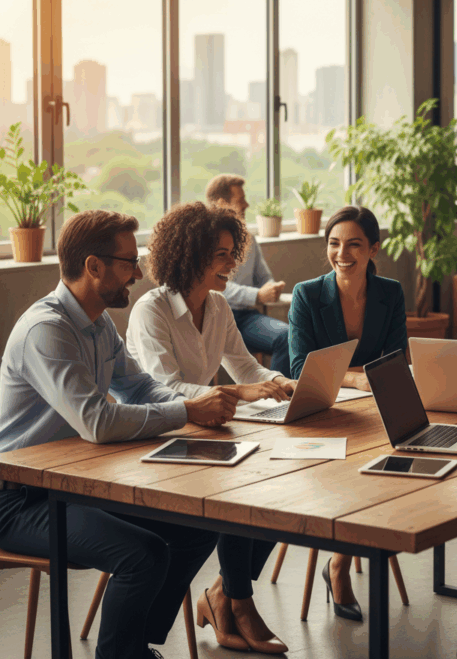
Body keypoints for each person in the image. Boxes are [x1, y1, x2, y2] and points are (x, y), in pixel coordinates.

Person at [0, 210, 239, 659]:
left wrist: (191, 410)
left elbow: (138, 385)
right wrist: (186, 408)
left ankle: (131, 646)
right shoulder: (46, 330)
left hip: (71, 484)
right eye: (130, 262)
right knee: (143, 555)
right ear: (94, 266)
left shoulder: (98, 322)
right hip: (17, 500)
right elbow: (97, 422)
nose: (140, 272)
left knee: (197, 528)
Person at [126, 202, 295, 654]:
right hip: (156, 440)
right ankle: (235, 602)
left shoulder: (218, 306)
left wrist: (279, 382)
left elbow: (244, 368)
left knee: (278, 485)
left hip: (205, 434)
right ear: (188, 256)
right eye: (218, 255)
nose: (230, 265)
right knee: (239, 492)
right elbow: (161, 388)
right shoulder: (151, 310)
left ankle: (227, 594)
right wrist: (239, 394)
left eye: (230, 253)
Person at [288, 205, 407, 620]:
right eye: (334, 244)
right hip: (324, 412)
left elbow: (396, 359)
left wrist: (349, 372)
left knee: (400, 467)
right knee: (345, 472)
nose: (342, 253)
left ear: (374, 248)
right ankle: (339, 566)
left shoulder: (389, 292)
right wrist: (357, 379)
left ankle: (338, 559)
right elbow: (301, 367)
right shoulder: (307, 294)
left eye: (354, 245)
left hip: (378, 412)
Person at [205, 174, 291, 378]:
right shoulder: (205, 239)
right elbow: (216, 286)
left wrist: (272, 288)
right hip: (214, 316)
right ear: (221, 202)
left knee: (289, 336)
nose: (246, 204)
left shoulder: (248, 238)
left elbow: (264, 277)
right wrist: (257, 296)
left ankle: (282, 397)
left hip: (246, 318)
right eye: (240, 199)